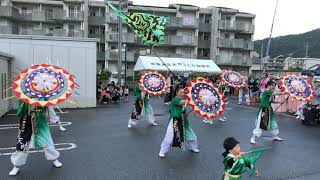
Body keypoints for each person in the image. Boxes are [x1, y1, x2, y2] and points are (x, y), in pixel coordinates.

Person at [9, 100, 62, 176]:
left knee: (48, 144)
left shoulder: (44, 98)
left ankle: (55, 159)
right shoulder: (24, 97)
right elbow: (19, 113)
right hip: (26, 125)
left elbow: (50, 108)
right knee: (22, 146)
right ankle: (16, 165)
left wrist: (54, 118)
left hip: (41, 124)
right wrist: (27, 102)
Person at [159, 88, 199, 157]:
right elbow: (183, 102)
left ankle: (193, 147)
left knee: (192, 136)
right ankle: (162, 150)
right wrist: (196, 100)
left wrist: (185, 114)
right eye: (181, 92)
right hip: (175, 121)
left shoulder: (183, 100)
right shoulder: (175, 99)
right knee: (169, 139)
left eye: (184, 93)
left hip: (184, 121)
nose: (183, 94)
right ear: (177, 93)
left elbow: (183, 109)